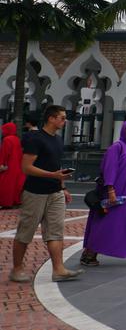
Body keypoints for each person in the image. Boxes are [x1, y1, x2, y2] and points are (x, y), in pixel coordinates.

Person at [9, 105, 82, 283]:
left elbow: (55, 166)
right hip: (35, 192)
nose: (65, 121)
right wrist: (53, 175)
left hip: (55, 191)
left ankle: (58, 270)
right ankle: (16, 269)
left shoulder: (57, 140)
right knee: (26, 231)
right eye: (62, 118)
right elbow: (26, 167)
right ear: (51, 118)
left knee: (56, 231)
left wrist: (62, 186)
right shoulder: (35, 139)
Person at [80, 121, 126, 267]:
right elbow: (109, 169)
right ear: (123, 131)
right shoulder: (117, 147)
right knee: (106, 221)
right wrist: (111, 190)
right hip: (116, 191)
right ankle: (90, 253)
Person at [0, 122, 26, 208]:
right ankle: (14, 201)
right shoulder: (16, 139)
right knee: (14, 184)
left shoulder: (7, 139)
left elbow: (4, 153)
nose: (2, 132)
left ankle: (6, 203)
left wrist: (1, 164)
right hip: (17, 165)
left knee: (5, 184)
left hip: (9, 165)